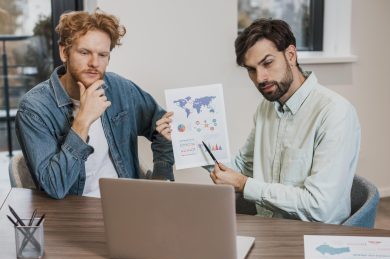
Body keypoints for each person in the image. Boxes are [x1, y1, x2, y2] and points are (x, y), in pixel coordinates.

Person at [156, 19, 360, 224]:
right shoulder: (267, 108)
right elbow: (241, 168)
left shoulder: (334, 113)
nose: (260, 78)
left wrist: (246, 185)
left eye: (267, 63)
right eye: (251, 69)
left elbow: (320, 207)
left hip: (314, 239)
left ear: (291, 55)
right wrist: (186, 140)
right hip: (268, 229)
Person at [16, 10, 174, 199]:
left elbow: (165, 129)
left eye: (102, 55)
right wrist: (82, 120)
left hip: (129, 207)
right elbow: (54, 187)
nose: (94, 63)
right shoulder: (34, 108)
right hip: (73, 216)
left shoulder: (121, 89)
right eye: (84, 52)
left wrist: (161, 179)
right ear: (64, 52)